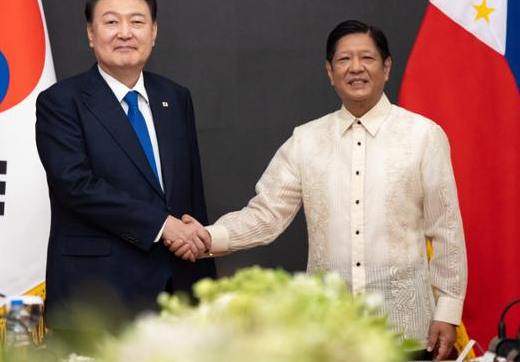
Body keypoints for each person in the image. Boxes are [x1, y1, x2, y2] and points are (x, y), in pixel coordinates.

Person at [168, 20, 467, 360]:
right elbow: (266, 214)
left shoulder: (423, 136)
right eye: (344, 60)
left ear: (386, 67)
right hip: (329, 334)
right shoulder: (306, 141)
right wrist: (208, 237)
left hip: (406, 330)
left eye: (367, 58)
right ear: (329, 71)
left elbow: (445, 228)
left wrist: (448, 309)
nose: (356, 68)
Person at [35, 0, 216, 336]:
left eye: (137, 22)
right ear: (91, 34)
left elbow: (190, 190)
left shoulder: (175, 97)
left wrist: (203, 281)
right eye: (111, 22)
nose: (125, 32)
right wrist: (163, 226)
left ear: (153, 32)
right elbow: (77, 186)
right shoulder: (61, 102)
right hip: (97, 295)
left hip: (175, 288)